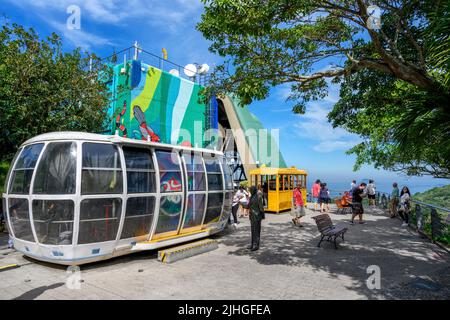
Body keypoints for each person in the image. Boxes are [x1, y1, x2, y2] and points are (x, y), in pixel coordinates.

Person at [246, 186, 265, 251]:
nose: (250, 191)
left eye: (251, 190)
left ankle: (256, 245)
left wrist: (262, 215)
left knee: (256, 231)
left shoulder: (257, 197)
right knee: (253, 231)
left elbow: (261, 207)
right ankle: (252, 244)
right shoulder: (252, 197)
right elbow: (248, 206)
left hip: (256, 217)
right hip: (252, 216)